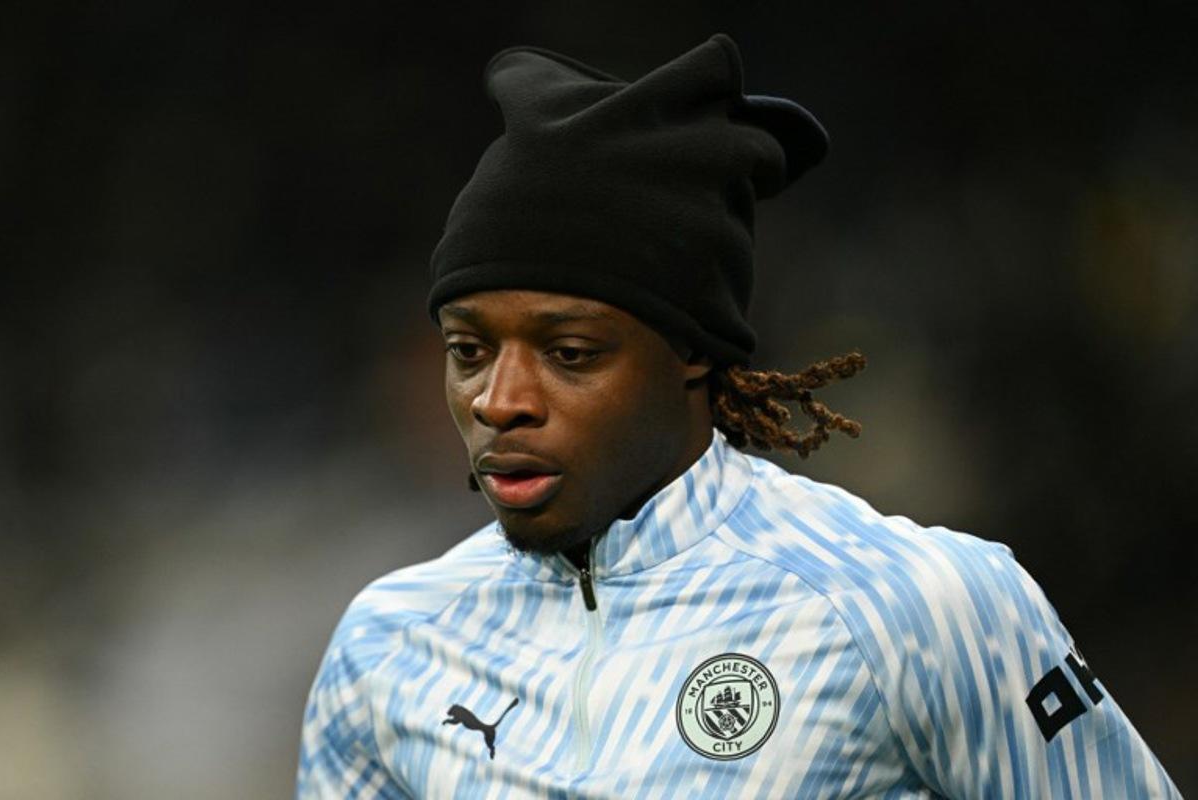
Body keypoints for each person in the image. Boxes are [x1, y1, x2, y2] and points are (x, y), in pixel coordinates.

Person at [296, 34, 1180, 798]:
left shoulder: (916, 606)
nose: (500, 401)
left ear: (690, 349)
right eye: (469, 351)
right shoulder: (389, 647)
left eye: (569, 353)